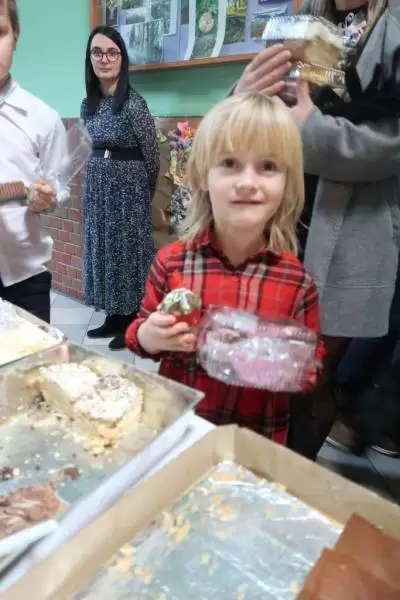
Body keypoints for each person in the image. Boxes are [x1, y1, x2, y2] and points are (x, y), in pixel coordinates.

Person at [232, 0, 400, 459]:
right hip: (278, 229)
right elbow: (244, 117)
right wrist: (242, 94)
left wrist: (310, 128)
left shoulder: (393, 26)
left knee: (310, 373)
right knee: (262, 363)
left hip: (350, 236)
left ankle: (287, 472)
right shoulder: (301, 20)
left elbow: (391, 144)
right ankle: (256, 462)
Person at [126, 93, 323, 445]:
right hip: (180, 430)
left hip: (256, 440)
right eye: (230, 163)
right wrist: (149, 337)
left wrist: (280, 363)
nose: (247, 182)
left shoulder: (297, 281)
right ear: (202, 175)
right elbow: (139, 335)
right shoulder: (172, 263)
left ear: (287, 182)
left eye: (268, 166)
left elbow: (310, 365)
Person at [81, 26, 160, 351]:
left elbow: (152, 156)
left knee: (128, 252)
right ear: (90, 59)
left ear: (122, 59)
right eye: (97, 52)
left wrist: (142, 193)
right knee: (104, 249)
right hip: (98, 191)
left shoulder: (134, 104)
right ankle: (113, 315)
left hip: (129, 192)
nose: (104, 59)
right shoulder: (88, 104)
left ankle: (132, 318)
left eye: (112, 52)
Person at [0, 0, 69, 323]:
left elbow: (60, 189)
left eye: (0, 32)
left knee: (32, 355)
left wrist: (49, 198)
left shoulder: (43, 119)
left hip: (25, 279)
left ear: (15, 35)